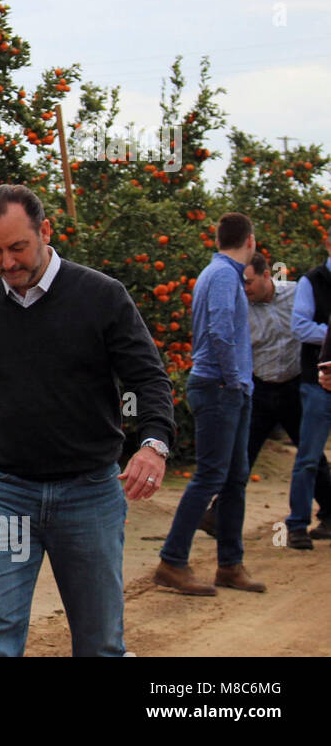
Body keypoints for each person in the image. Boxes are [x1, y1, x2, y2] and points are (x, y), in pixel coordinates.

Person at [0, 184, 175, 656]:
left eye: (18, 247)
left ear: (45, 231)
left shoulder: (103, 297)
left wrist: (154, 443)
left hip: (89, 492)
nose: (6, 263)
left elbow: (148, 379)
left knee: (99, 642)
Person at [155, 213, 266, 594]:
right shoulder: (222, 276)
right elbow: (219, 332)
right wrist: (234, 381)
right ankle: (172, 561)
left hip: (227, 387)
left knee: (234, 478)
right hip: (220, 387)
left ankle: (230, 565)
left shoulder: (218, 274)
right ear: (249, 242)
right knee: (209, 477)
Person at [198, 252, 331, 539]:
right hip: (259, 387)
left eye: (249, 282)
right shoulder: (239, 307)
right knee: (243, 451)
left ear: (267, 275)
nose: (244, 289)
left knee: (310, 455)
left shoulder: (296, 293)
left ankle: (329, 513)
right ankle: (219, 514)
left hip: (296, 385)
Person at [285, 238, 331, 547]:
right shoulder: (311, 281)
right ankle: (297, 526)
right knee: (309, 456)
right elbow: (300, 326)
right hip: (318, 382)